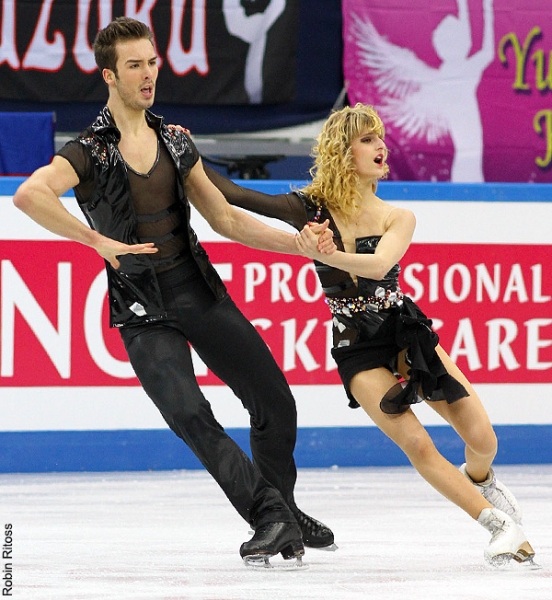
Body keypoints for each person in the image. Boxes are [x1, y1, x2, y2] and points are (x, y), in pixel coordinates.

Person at [12, 17, 337, 567]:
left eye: (152, 62)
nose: (148, 75)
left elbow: (227, 220)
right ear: (109, 75)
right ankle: (269, 515)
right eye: (134, 66)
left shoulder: (173, 140)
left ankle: (281, 504)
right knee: (190, 414)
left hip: (196, 289)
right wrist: (94, 240)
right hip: (143, 309)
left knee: (275, 400)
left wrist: (300, 245)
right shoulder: (87, 150)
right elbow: (29, 194)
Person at [202, 103, 538, 568]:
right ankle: (497, 526)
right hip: (356, 347)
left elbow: (380, 266)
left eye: (380, 137)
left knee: (482, 438)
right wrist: (186, 155)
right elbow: (238, 196)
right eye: (367, 139)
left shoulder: (397, 217)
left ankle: (480, 478)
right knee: (417, 443)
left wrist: (321, 253)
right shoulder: (311, 209)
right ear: (344, 152)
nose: (381, 146)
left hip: (405, 333)